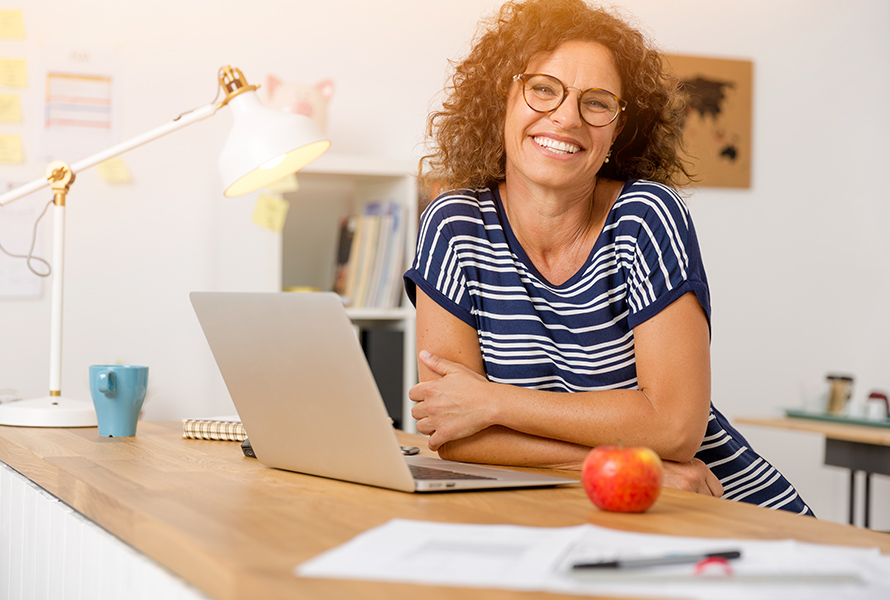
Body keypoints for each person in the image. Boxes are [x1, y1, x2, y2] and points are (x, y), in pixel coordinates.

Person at [404, 0, 812, 515]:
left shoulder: (645, 216)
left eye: (597, 102)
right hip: (605, 497)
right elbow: (454, 432)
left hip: (712, 505)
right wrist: (632, 462)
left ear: (617, 128)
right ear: (502, 98)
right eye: (543, 89)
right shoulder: (453, 225)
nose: (567, 116)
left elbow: (674, 428)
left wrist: (494, 403)